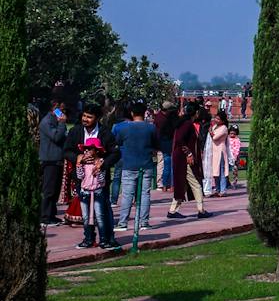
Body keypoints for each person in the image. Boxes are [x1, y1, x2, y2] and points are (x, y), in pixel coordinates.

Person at [70, 105, 119, 249]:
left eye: (89, 117)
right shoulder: (75, 131)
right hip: (83, 180)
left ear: (97, 118)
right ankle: (89, 238)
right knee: (86, 213)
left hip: (99, 181)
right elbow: (66, 151)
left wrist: (102, 164)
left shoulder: (105, 133)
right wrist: (78, 157)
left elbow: (115, 153)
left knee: (103, 211)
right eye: (84, 116)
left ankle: (108, 238)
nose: (85, 119)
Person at [112, 100, 160, 233]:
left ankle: (123, 223)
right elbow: (156, 143)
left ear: (132, 113)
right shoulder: (151, 127)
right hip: (146, 164)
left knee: (127, 195)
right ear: (144, 113)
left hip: (129, 164)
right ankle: (143, 222)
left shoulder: (124, 128)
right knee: (145, 194)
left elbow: (118, 142)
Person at [169, 103, 209, 219]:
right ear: (196, 112)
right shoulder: (187, 124)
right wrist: (189, 153)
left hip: (181, 158)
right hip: (184, 159)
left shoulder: (185, 123)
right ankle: (201, 210)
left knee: (183, 185)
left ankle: (172, 210)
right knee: (196, 183)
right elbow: (180, 140)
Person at [37, 99, 68, 224]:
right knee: (49, 189)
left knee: (55, 189)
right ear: (55, 108)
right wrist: (62, 123)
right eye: (62, 110)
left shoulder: (55, 120)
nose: (64, 113)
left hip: (57, 159)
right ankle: (44, 216)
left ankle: (51, 214)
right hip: (49, 160)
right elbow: (56, 137)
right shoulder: (47, 121)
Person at [201, 111, 233, 198]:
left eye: (218, 119)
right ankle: (217, 189)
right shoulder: (215, 126)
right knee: (215, 171)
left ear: (223, 120)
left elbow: (215, 137)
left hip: (220, 151)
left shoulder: (224, 128)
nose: (216, 120)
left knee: (221, 171)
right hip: (213, 151)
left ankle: (222, 190)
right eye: (216, 118)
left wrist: (211, 132)